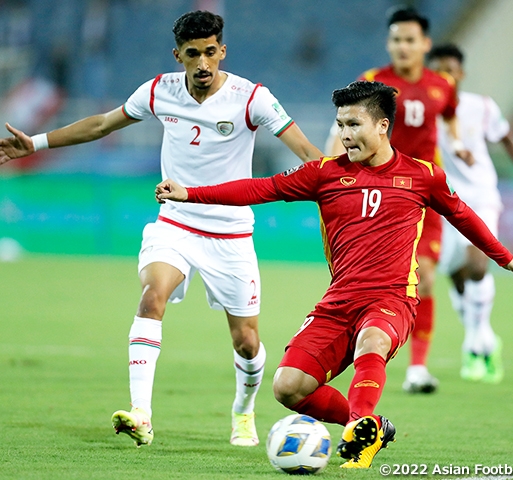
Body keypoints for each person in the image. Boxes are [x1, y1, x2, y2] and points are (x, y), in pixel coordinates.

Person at [156, 81, 513, 468]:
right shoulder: (324, 173)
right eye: (340, 125)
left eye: (354, 124)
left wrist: (505, 258)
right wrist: (191, 193)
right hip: (339, 302)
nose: (344, 135)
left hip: (393, 299)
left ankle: (359, 434)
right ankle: (370, 425)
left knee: (372, 341)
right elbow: (260, 189)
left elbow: (462, 215)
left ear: (382, 126)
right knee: (288, 387)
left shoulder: (423, 176)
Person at [0, 11, 323, 448]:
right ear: (178, 56)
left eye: (210, 52)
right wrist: (36, 143)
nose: (203, 63)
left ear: (222, 51)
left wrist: (347, 185)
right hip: (175, 222)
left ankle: (243, 410)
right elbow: (101, 124)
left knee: (247, 342)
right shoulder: (159, 91)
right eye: (193, 54)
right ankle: (141, 414)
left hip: (231, 233)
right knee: (152, 298)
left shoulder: (252, 98)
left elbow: (306, 150)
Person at [326, 7, 472, 395]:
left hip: (424, 193)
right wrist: (331, 170)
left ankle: (417, 368)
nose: (402, 47)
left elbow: (451, 115)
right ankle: (361, 351)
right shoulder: (373, 82)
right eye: (395, 40)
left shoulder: (442, 84)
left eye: (409, 40)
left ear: (425, 44)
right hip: (380, 194)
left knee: (425, 278)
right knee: (366, 282)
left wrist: (457, 142)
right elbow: (342, 126)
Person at [428, 43, 513, 383]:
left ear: (461, 73)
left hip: (480, 196)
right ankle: (484, 340)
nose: (446, 76)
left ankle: (474, 346)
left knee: (478, 263)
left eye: (450, 70)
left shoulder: (481, 107)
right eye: (439, 70)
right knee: (457, 275)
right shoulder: (423, 110)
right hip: (441, 199)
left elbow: (508, 139)